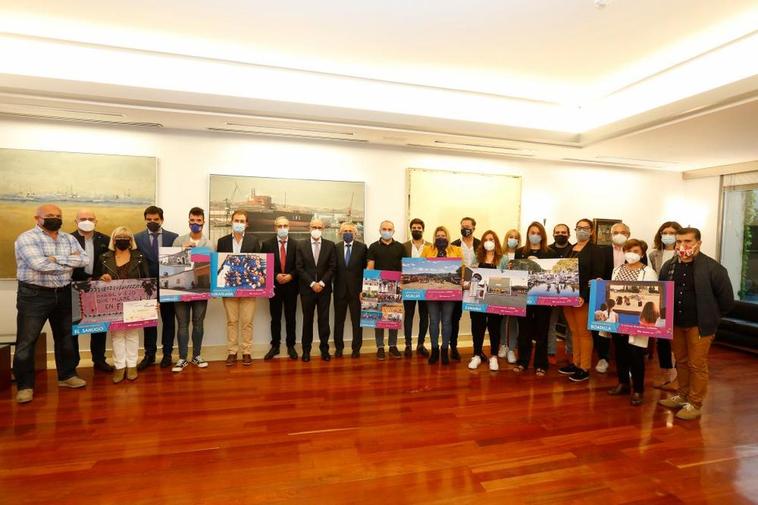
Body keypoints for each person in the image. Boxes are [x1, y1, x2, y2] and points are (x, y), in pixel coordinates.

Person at [13, 204, 89, 404]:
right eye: (50, 216)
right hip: (34, 295)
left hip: (64, 293)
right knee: (27, 341)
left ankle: (66, 376)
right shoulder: (27, 238)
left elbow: (84, 260)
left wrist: (55, 259)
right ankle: (25, 386)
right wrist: (66, 262)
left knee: (65, 338)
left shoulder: (69, 238)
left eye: (58, 215)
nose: (55, 218)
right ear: (37, 218)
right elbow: (39, 265)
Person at [658, 227, 734, 420]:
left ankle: (695, 403)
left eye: (688, 241)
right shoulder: (669, 266)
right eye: (679, 241)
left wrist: (711, 317)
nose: (683, 245)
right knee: (681, 362)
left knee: (696, 364)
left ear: (698, 243)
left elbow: (726, 301)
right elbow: (660, 292)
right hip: (675, 323)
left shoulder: (713, 268)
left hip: (700, 325)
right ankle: (682, 396)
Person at [558, 218, 612, 382]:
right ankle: (576, 362)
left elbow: (597, 276)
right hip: (567, 296)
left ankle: (584, 367)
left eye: (585, 228)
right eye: (579, 228)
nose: (582, 230)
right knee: (574, 332)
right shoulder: (570, 249)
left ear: (591, 231)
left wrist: (584, 296)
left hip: (583, 298)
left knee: (584, 333)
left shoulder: (596, 251)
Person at [606, 239, 657, 406]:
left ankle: (638, 390)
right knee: (620, 352)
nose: (631, 254)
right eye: (628, 250)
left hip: (638, 319)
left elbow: (652, 296)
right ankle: (623, 383)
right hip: (618, 318)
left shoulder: (648, 272)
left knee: (636, 354)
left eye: (636, 251)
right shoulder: (616, 270)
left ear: (642, 253)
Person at [95, 226, 149, 383]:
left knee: (132, 334)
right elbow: (94, 280)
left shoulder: (139, 257)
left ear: (131, 240)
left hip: (135, 302)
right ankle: (119, 367)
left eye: (126, 236)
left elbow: (147, 279)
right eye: (119, 236)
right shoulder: (104, 257)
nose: (123, 239)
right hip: (112, 302)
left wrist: (151, 302)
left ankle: (131, 365)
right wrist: (101, 277)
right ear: (113, 239)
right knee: (117, 335)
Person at [134, 205, 178, 370]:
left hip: (169, 285)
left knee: (168, 321)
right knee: (149, 322)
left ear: (162, 220)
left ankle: (167, 354)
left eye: (156, 219)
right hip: (147, 286)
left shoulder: (173, 237)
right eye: (149, 219)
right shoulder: (136, 238)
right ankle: (149, 355)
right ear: (145, 220)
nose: (152, 222)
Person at [71, 208, 113, 372]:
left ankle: (99, 360)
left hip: (98, 289)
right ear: (76, 221)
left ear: (96, 221)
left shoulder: (105, 239)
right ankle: (72, 363)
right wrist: (85, 278)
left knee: (98, 326)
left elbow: (109, 262)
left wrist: (101, 277)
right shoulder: (68, 239)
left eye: (90, 218)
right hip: (74, 289)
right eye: (82, 218)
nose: (86, 221)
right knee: (74, 327)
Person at [171, 207, 213, 373]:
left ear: (203, 222)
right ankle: (182, 358)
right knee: (182, 323)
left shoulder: (209, 243)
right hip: (180, 288)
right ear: (188, 221)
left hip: (201, 289)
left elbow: (211, 267)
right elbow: (171, 264)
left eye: (198, 221)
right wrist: (182, 251)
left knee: (198, 323)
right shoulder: (178, 240)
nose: (195, 223)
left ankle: (196, 355)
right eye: (192, 220)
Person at [217, 209, 261, 366]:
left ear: (247, 224)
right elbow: (219, 265)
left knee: (247, 321)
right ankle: (232, 352)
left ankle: (247, 351)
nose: (239, 224)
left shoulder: (254, 241)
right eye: (236, 220)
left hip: (248, 288)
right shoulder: (222, 242)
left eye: (242, 221)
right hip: (229, 288)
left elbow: (258, 265)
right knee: (232, 321)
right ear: (231, 221)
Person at [512, 222, 555, 376]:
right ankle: (522, 361)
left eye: (538, 232)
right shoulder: (520, 252)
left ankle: (541, 364)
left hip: (543, 298)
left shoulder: (550, 253)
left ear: (542, 235)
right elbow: (516, 274)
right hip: (524, 297)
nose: (535, 235)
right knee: (524, 332)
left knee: (542, 331)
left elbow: (552, 275)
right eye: (532, 232)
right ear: (528, 234)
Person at [296, 218, 337, 362]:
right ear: (309, 228)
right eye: (314, 226)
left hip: (324, 290)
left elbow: (332, 267)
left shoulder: (330, 245)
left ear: (323, 229)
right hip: (307, 290)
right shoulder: (301, 245)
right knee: (307, 320)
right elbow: (299, 268)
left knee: (324, 320)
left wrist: (322, 283)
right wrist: (313, 283)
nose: (316, 229)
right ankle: (306, 351)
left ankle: (324, 350)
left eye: (319, 227)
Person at [649, 221, 683, 390]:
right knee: (661, 339)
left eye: (672, 232)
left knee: (676, 340)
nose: (668, 235)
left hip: (678, 299)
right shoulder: (654, 254)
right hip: (660, 299)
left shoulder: (683, 253)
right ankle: (666, 372)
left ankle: (679, 376)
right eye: (664, 232)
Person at [422, 226, 462, 365]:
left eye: (443, 235)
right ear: (434, 237)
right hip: (431, 292)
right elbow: (422, 265)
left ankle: (445, 350)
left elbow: (461, 268)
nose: (440, 238)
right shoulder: (428, 249)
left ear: (448, 237)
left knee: (446, 322)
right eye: (438, 235)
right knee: (433, 321)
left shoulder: (456, 250)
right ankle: (434, 350)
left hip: (450, 292)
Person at [595, 222, 631, 374]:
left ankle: (627, 363)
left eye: (623, 232)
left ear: (628, 234)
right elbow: (597, 272)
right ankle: (603, 358)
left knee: (626, 330)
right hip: (606, 294)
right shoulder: (601, 251)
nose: (619, 235)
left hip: (628, 296)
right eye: (616, 232)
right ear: (611, 235)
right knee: (602, 326)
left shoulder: (634, 251)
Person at [367, 220, 406, 360]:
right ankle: (380, 347)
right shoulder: (372, 247)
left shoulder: (400, 247)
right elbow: (370, 267)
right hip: (378, 286)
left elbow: (404, 268)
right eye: (384, 228)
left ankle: (393, 346)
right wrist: (368, 288)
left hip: (396, 287)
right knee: (379, 318)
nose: (386, 231)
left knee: (393, 317)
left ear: (393, 231)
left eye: (389, 229)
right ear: (379, 230)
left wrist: (402, 283)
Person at [467, 230, 503, 371]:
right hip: (478, 299)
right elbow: (470, 278)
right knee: (477, 326)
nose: (489, 241)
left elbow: (509, 278)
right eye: (486, 239)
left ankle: (494, 356)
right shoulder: (476, 258)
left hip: (496, 299)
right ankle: (476, 355)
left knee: (494, 327)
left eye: (492, 239)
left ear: (496, 242)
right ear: (482, 242)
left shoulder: (503, 259)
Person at [333, 222, 367, 358]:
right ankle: (339, 348)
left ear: (355, 233)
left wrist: (364, 289)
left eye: (350, 231)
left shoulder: (363, 248)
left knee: (357, 322)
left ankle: (356, 349)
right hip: (339, 291)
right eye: (345, 231)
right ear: (340, 233)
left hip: (357, 292)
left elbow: (366, 270)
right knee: (338, 321)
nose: (347, 233)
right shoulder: (335, 248)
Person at [450, 217, 480, 362]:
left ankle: (478, 351)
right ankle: (453, 347)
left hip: (475, 285)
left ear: (474, 228)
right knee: (455, 317)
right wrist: (459, 281)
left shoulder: (481, 245)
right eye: (463, 226)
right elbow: (450, 267)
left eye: (468, 226)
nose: (465, 228)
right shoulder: (453, 245)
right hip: (458, 286)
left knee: (477, 318)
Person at [402, 218, 430, 357]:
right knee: (409, 315)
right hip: (409, 287)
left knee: (425, 316)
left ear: (423, 229)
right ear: (410, 229)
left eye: (419, 227)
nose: (416, 230)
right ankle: (408, 344)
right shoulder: (404, 246)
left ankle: (420, 344)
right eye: (414, 227)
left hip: (426, 288)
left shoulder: (431, 246)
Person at [547, 224, 574, 365]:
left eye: (564, 232)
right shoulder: (547, 250)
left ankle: (570, 352)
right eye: (557, 232)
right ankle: (551, 352)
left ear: (569, 234)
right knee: (550, 324)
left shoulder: (575, 250)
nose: (560, 234)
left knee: (571, 325)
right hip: (551, 294)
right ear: (553, 234)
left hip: (569, 293)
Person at [497, 228, 521, 364]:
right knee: (502, 319)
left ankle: (512, 348)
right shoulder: (500, 254)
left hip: (517, 290)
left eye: (516, 237)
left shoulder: (522, 253)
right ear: (506, 238)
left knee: (513, 319)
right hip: (503, 289)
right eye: (510, 236)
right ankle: (503, 345)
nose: (513, 239)